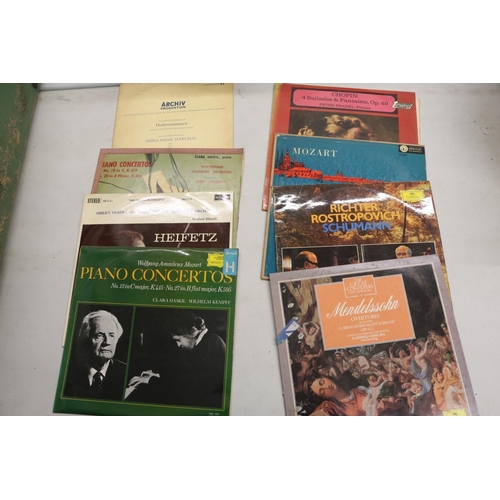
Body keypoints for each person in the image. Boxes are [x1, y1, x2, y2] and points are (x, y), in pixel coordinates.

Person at [126, 311, 226, 408]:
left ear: (190, 333)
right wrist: (158, 375)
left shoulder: (211, 344)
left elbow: (188, 387)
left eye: (178, 339)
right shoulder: (209, 341)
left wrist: (151, 380)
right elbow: (187, 377)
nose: (178, 344)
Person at [64, 310, 127, 400]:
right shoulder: (68, 373)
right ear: (86, 340)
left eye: (111, 335)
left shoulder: (126, 373)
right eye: (99, 335)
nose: (107, 342)